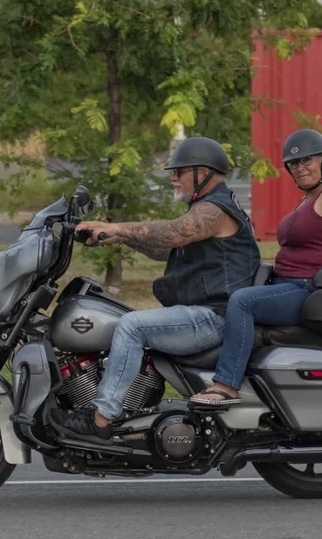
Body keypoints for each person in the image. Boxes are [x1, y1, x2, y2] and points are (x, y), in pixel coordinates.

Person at [49, 136, 262, 444]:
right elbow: (168, 249)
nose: (173, 177)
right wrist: (123, 238)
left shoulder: (216, 210)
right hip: (202, 312)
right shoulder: (206, 208)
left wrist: (118, 228)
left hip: (212, 317)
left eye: (180, 171)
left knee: (132, 326)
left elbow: (175, 233)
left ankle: (101, 419)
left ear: (203, 172)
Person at [189, 128, 322, 406]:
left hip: (304, 288)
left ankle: (226, 385)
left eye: (307, 160)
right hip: (283, 283)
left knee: (242, 302)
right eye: (294, 164)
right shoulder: (308, 200)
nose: (300, 168)